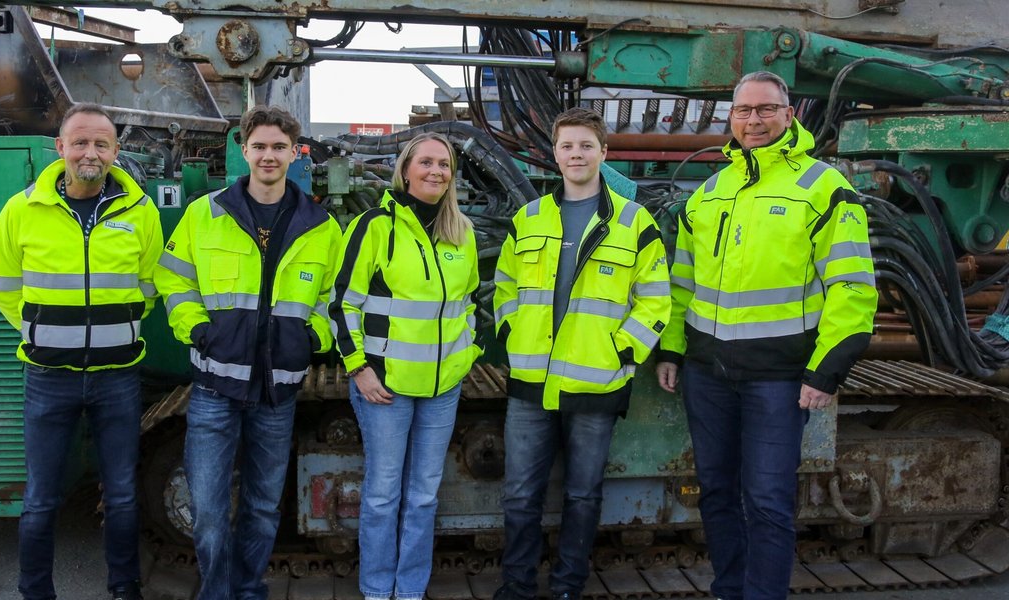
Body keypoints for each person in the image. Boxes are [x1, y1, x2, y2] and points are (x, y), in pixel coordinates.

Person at [655, 71, 878, 599]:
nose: (752, 120)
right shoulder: (709, 192)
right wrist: (671, 347)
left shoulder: (823, 187)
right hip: (708, 375)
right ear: (730, 118)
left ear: (788, 114)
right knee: (716, 494)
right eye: (742, 111)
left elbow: (852, 286)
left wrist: (826, 370)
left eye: (764, 109)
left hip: (778, 380)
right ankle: (730, 589)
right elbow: (682, 282)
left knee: (768, 501)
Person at [153, 105, 341, 600]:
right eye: (259, 146)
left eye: (279, 147)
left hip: (278, 394)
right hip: (215, 386)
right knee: (210, 512)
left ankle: (250, 589)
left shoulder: (321, 225)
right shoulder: (205, 213)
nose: (269, 156)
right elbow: (172, 277)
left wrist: (313, 338)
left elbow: (336, 297)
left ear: (297, 153)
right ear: (243, 150)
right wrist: (197, 330)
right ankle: (217, 593)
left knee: (261, 507)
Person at [491, 107, 671, 600]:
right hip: (530, 380)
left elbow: (656, 298)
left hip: (597, 381)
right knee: (521, 495)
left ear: (603, 153)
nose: (576, 154)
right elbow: (503, 284)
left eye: (586, 145)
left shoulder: (634, 222)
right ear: (554, 154)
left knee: (583, 495)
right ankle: (517, 585)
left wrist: (624, 350)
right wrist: (512, 330)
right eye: (567, 146)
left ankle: (568, 585)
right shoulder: (529, 219)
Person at [0, 102, 162, 600]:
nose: (91, 152)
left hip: (117, 376)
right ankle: (35, 591)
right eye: (80, 142)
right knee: (42, 498)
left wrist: (120, 328)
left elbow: (148, 284)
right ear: (60, 148)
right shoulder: (21, 210)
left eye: (101, 144)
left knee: (124, 495)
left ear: (115, 152)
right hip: (48, 377)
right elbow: (2, 285)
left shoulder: (141, 212)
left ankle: (124, 586)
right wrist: (40, 330)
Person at [329, 132, 481, 600]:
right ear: (406, 169)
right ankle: (377, 591)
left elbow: (469, 303)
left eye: (445, 164)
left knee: (423, 497)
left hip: (443, 389)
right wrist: (360, 368)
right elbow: (340, 305)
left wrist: (466, 354)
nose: (436, 171)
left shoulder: (463, 232)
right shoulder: (374, 226)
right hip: (385, 389)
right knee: (381, 496)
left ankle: (410, 590)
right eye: (427, 162)